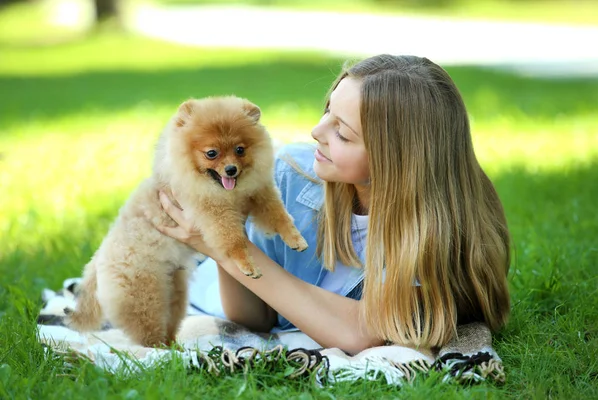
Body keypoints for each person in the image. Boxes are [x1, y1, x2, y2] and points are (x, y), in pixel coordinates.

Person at [152, 54, 511, 355]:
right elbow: (255, 317)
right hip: (193, 288)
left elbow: (364, 333)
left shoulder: (434, 237)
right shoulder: (289, 176)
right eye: (327, 112)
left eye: (342, 132)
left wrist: (231, 249)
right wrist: (222, 246)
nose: (316, 131)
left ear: (396, 160)